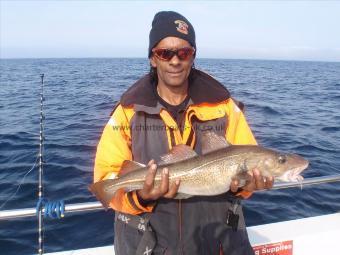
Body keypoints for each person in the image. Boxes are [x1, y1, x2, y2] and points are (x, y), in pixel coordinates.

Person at [94, 11, 273, 255]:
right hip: (150, 246)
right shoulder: (126, 112)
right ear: (153, 59)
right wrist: (141, 197)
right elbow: (106, 178)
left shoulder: (225, 107)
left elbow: (244, 174)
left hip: (217, 243)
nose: (175, 60)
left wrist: (246, 185)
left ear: (193, 56)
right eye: (164, 53)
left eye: (184, 52)